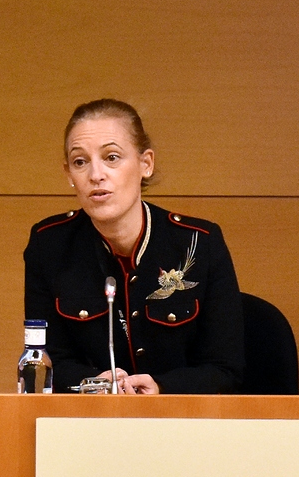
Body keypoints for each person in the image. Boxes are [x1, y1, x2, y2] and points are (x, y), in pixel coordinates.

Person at [23, 98, 244, 394]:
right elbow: (44, 361)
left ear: (145, 164)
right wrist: (94, 383)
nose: (96, 175)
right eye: (80, 162)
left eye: (112, 157)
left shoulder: (199, 242)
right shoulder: (49, 245)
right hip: (89, 415)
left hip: (181, 417)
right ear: (69, 174)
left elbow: (226, 369)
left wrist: (162, 387)